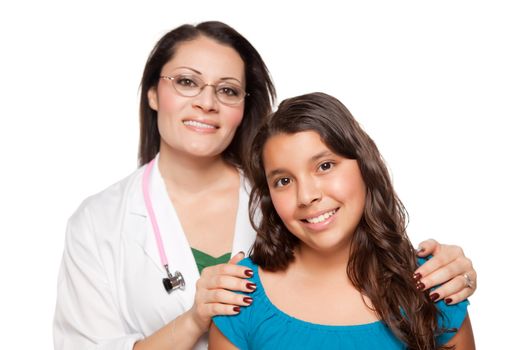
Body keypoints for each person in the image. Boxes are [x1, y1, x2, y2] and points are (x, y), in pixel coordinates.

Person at [53, 22, 477, 350]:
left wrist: (448, 268)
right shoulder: (97, 224)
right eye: (186, 81)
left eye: (228, 89)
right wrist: (195, 318)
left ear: (244, 107)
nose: (206, 101)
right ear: (151, 93)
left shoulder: (283, 196)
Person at [210, 92, 476, 349]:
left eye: (325, 166)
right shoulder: (239, 295)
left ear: (364, 165)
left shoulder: (433, 281)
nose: (307, 196)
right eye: (284, 181)